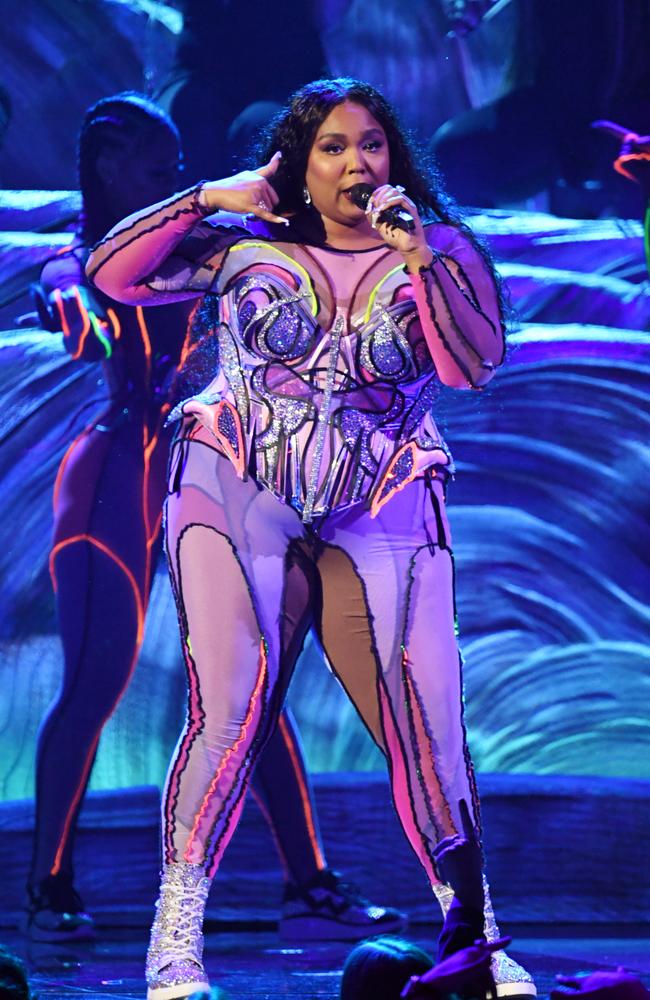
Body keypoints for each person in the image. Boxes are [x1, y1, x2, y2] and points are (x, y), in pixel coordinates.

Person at [86, 77, 535, 1000]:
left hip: (380, 493)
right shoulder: (245, 246)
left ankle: (480, 937)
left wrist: (420, 257)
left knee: (425, 720)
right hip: (237, 481)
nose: (355, 164)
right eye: (332, 147)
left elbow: (473, 365)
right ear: (299, 161)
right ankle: (176, 944)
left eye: (370, 145)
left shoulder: (441, 249)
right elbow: (112, 274)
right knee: (233, 707)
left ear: (393, 158)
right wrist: (211, 195)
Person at [28, 91, 405, 946]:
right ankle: (48, 887)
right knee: (93, 683)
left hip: (206, 472)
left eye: (178, 169)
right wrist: (74, 314)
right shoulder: (85, 255)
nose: (176, 180)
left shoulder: (207, 242)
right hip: (116, 475)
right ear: (110, 167)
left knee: (249, 686)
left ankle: (309, 886)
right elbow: (77, 293)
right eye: (160, 171)